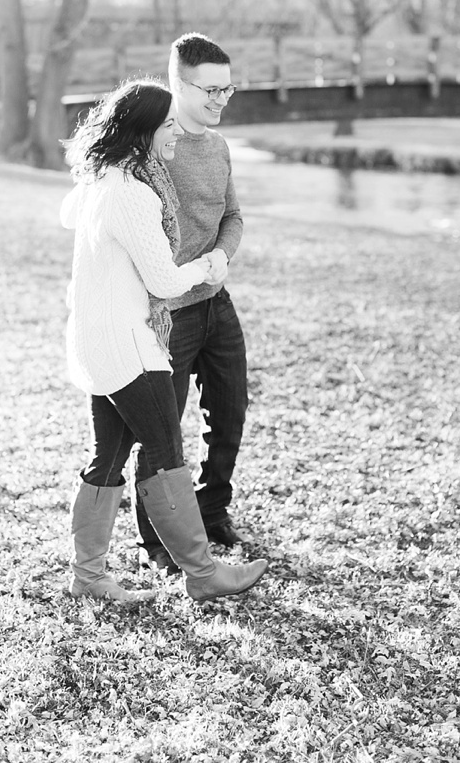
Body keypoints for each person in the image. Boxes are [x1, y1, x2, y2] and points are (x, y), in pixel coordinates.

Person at [60, 78, 267, 604]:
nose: (176, 133)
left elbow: (74, 224)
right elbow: (165, 282)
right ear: (145, 131)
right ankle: (202, 574)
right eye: (168, 125)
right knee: (167, 453)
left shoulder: (98, 182)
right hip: (130, 348)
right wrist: (209, 264)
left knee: (107, 455)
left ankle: (88, 577)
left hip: (95, 342)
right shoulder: (132, 195)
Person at [135, 34, 250, 574]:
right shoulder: (153, 150)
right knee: (161, 428)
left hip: (214, 300)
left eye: (228, 89)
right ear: (177, 85)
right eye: (210, 90)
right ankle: (157, 538)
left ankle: (213, 509)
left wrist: (223, 256)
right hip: (168, 311)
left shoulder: (220, 147)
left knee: (228, 412)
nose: (221, 100)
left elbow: (233, 217)